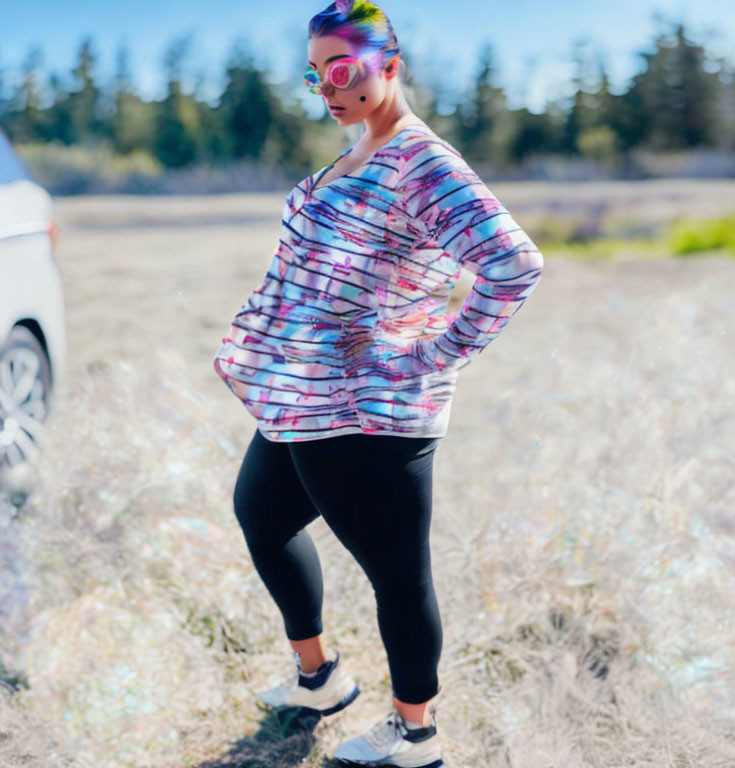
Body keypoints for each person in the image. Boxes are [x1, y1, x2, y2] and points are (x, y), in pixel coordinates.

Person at [212, 1, 544, 765]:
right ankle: (319, 678)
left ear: (390, 64)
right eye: (314, 71)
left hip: (370, 409)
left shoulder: (422, 162)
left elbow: (515, 264)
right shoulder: (360, 144)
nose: (326, 86)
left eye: (342, 68)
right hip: (304, 394)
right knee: (261, 515)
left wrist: (428, 352)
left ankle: (414, 733)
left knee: (396, 574)